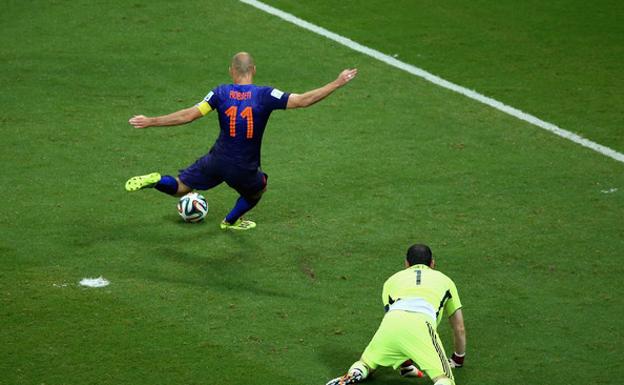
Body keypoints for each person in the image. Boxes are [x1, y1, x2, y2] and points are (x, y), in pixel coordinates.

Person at [125, 52, 357, 230]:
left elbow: (188, 115)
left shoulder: (220, 92)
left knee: (180, 188)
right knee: (257, 190)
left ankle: (156, 180)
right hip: (243, 167)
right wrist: (337, 82)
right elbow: (303, 100)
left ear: (231, 71)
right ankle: (230, 221)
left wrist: (151, 120)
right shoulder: (266, 95)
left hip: (215, 159)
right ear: (253, 70)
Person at [326, 244, 466, 385]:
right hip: (421, 324)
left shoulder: (391, 281)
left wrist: (406, 366)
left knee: (366, 363)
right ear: (432, 263)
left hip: (391, 323)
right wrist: (458, 359)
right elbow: (459, 328)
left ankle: (356, 372)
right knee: (444, 378)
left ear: (406, 263)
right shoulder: (446, 281)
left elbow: (399, 330)